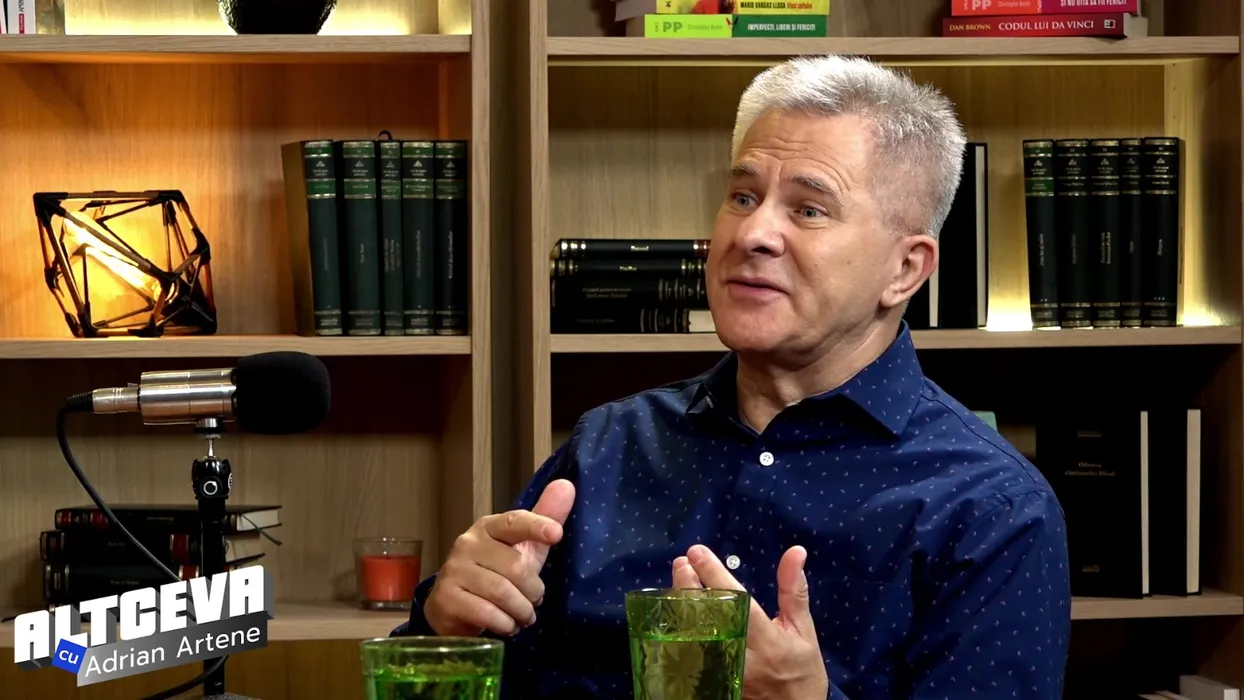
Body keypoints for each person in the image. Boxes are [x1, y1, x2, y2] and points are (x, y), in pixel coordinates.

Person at [394, 54, 1072, 699]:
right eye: (743, 197)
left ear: (905, 270)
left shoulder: (993, 509)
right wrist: (445, 627)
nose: (753, 234)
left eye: (808, 209)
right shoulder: (610, 445)